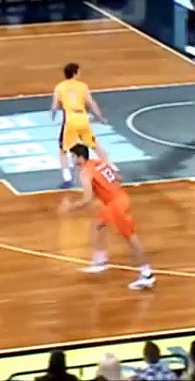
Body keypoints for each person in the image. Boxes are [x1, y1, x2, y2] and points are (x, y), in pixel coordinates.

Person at [58, 144, 154, 290]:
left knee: (132, 239)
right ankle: (100, 260)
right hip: (120, 198)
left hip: (116, 205)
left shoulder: (85, 172)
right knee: (98, 224)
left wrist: (71, 207)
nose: (71, 159)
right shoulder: (99, 163)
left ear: (80, 157)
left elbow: (87, 199)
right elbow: (118, 178)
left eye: (73, 156)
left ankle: (146, 273)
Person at [51, 62, 109, 189]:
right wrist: (100, 118)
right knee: (95, 145)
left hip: (70, 121)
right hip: (83, 119)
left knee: (63, 150)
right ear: (75, 73)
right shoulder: (82, 86)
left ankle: (67, 178)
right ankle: (110, 170)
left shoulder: (59, 87)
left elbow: (55, 106)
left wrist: (53, 114)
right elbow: (91, 103)